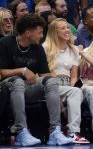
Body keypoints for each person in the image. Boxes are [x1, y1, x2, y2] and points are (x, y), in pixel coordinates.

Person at [0, 13, 73, 146]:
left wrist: (56, 95)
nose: (41, 36)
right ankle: (21, 132)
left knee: (51, 81)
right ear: (28, 32)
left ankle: (55, 132)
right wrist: (22, 70)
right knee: (17, 81)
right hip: (7, 89)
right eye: (39, 33)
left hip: (29, 89)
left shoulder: (38, 48)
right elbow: (2, 72)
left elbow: (45, 75)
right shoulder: (5, 43)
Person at [43, 18, 93, 144]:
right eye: (62, 28)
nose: (67, 30)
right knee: (75, 92)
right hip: (53, 85)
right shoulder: (45, 48)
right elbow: (44, 74)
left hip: (69, 84)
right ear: (54, 32)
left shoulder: (74, 49)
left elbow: (74, 77)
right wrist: (73, 91)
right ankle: (73, 132)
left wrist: (74, 87)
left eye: (68, 27)